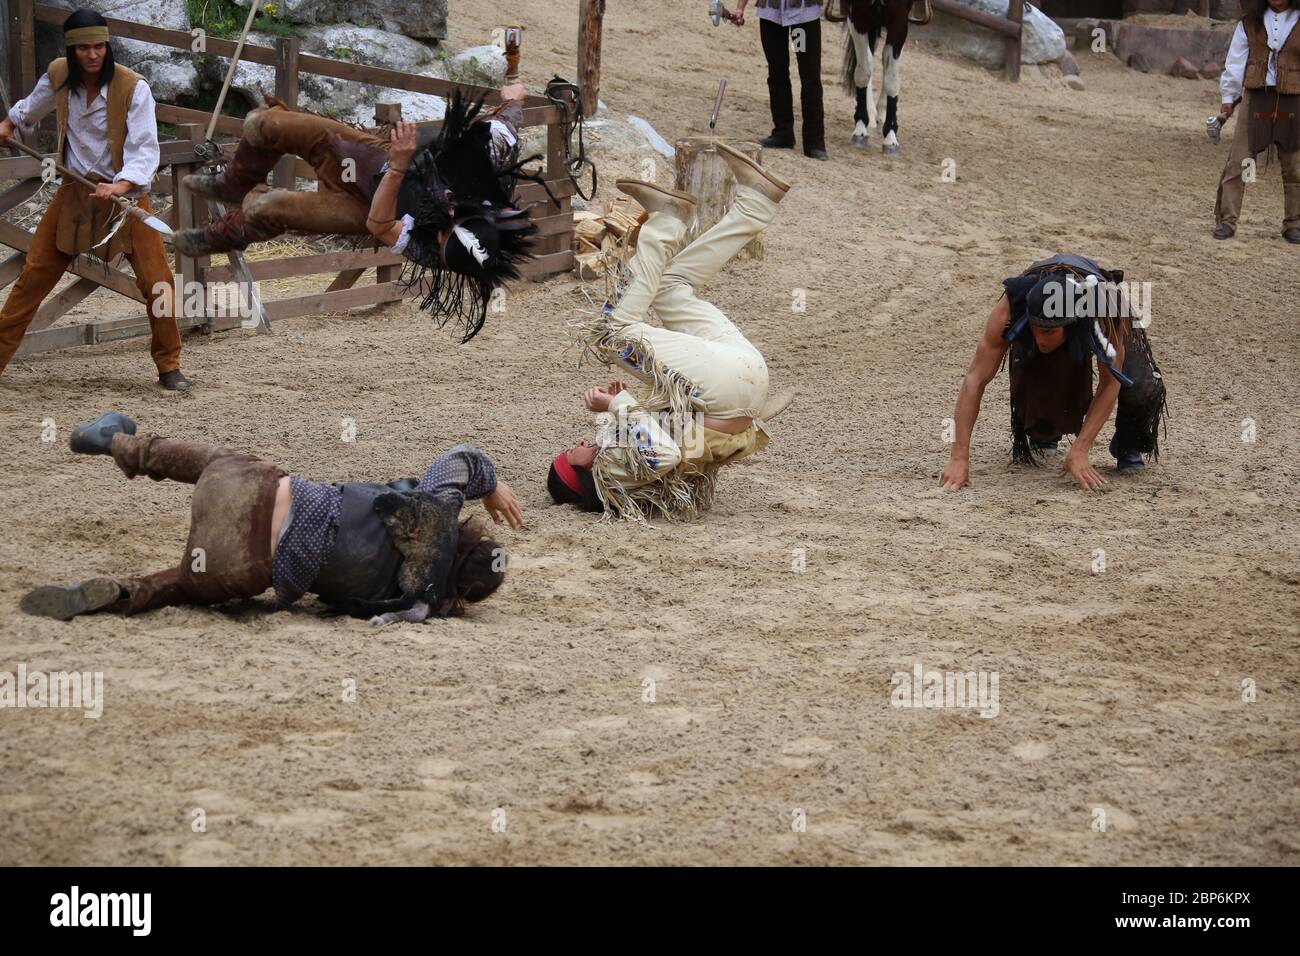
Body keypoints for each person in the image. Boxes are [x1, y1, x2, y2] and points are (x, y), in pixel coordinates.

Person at [20, 412, 524, 624]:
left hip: (256, 495)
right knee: (181, 584)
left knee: (213, 461)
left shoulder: (437, 511)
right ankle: (125, 592)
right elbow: (342, 608)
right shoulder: (418, 602)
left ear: (468, 537)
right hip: (239, 567)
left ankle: (120, 443)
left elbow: (462, 456)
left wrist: (491, 484)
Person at [173, 88, 540, 341]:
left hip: (365, 207)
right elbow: (507, 123)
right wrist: (515, 98)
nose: (438, 235)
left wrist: (398, 167)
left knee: (264, 208)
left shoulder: (434, 253)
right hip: (365, 160)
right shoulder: (484, 159)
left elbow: (378, 224)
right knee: (262, 123)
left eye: (440, 242)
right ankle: (234, 182)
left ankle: (219, 236)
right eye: (446, 233)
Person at [547, 144, 790, 520]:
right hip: (727, 389)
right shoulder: (610, 474)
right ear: (576, 475)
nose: (576, 444)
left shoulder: (617, 461)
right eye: (569, 454)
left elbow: (675, 431)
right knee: (613, 334)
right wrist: (617, 405)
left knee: (671, 287)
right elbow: (666, 454)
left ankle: (754, 206)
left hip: (744, 379)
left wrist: (637, 402)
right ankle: (666, 221)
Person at [0, 9, 189, 389]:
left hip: (125, 200)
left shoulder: (134, 87)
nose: (93, 55)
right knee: (33, 277)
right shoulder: (58, 75)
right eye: (84, 48)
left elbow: (144, 149)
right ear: (71, 51)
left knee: (159, 284)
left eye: (99, 46)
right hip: (74, 192)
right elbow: (29, 109)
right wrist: (8, 124)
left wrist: (121, 185)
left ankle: (169, 365)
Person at [939, 254, 1168, 492]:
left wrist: (1080, 450)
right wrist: (958, 458)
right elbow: (974, 379)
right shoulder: (1010, 308)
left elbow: (1110, 384)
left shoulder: (1106, 308)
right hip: (1042, 308)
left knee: (1142, 387)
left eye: (1048, 332)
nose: (1040, 339)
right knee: (1043, 372)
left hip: (1094, 307)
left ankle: (1128, 443)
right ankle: (1044, 434)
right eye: (1035, 329)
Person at [1212, 0, 1299, 243]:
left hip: (1294, 98)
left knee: (1295, 166)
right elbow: (1236, 60)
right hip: (1256, 97)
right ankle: (1227, 222)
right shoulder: (1249, 22)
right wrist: (1228, 97)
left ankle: (1294, 224)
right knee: (1239, 161)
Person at [728, 1, 828, 160]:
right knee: (777, 71)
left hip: (802, 20)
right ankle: (783, 133)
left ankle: (814, 142)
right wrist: (740, 8)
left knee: (809, 76)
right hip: (771, 15)